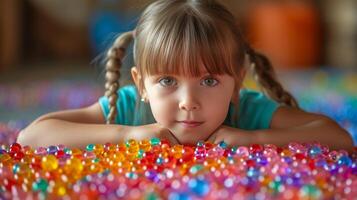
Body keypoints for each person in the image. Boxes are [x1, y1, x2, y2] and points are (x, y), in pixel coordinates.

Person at [17, 0, 354, 153]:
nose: (189, 103)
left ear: (236, 84)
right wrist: (126, 135)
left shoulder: (247, 110)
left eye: (209, 81)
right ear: (141, 84)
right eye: (167, 81)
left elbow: (339, 138)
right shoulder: (127, 108)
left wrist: (255, 139)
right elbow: (30, 137)